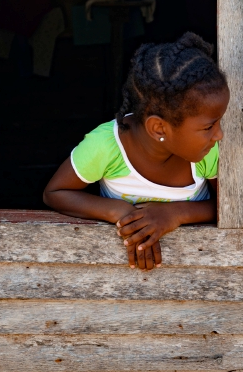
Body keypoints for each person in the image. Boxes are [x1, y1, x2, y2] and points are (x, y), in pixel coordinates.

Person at [43, 32, 229, 271]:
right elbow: (55, 192)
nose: (220, 135)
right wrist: (122, 213)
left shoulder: (208, 151)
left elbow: (230, 206)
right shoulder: (106, 145)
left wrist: (175, 214)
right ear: (158, 127)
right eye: (209, 126)